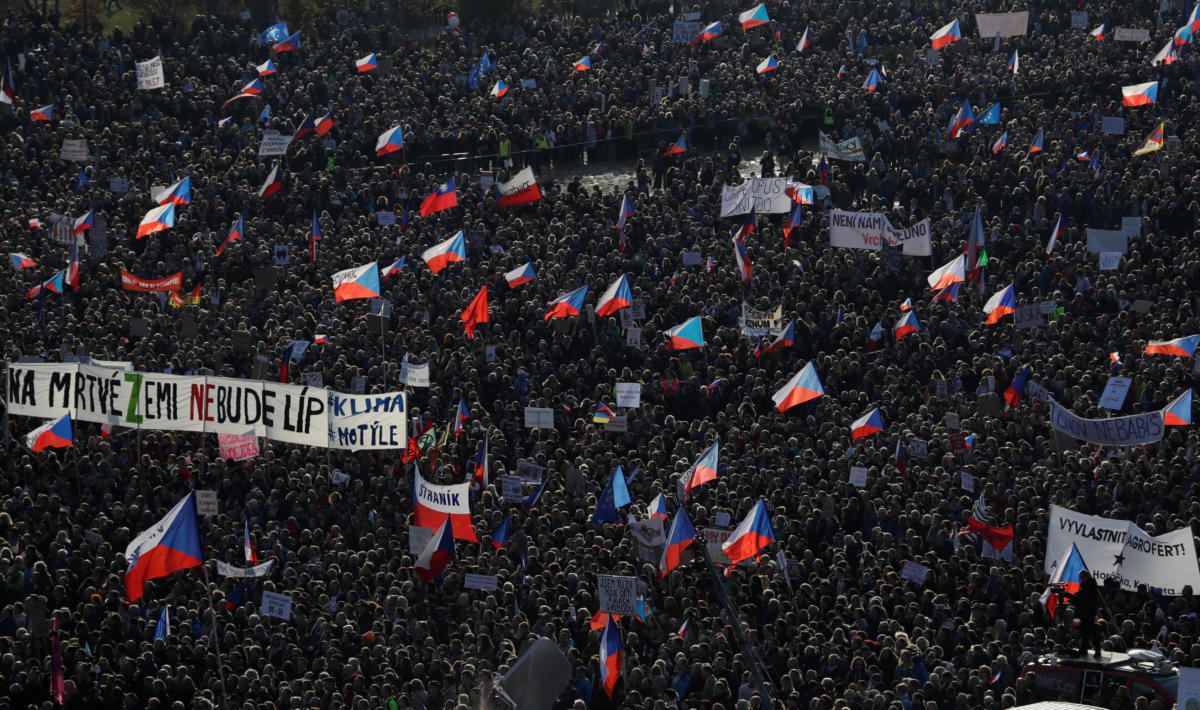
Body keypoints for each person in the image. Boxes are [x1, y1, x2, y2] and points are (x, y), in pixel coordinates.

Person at [1062, 570, 1104, 659]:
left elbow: (1080, 600)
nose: (1080, 579)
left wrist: (1067, 595)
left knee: (1091, 632)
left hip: (1087, 614)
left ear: (1085, 577)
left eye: (1081, 577)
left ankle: (1097, 650)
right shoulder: (1086, 587)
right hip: (1083, 613)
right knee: (1084, 632)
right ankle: (1083, 649)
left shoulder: (1090, 588)